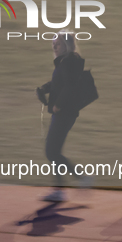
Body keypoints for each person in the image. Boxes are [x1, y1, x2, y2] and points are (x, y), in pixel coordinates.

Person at [36, 29, 85, 202]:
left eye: (58, 44)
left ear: (67, 45)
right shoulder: (67, 61)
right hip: (65, 112)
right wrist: (44, 88)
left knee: (52, 151)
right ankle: (76, 181)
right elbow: (60, 83)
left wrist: (58, 104)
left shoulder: (69, 61)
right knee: (54, 151)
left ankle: (68, 185)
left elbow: (70, 86)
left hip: (64, 112)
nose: (54, 46)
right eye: (53, 44)